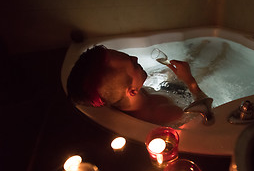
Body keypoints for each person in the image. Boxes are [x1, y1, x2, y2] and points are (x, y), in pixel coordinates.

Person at [67, 45, 207, 125]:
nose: (136, 57)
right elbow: (207, 117)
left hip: (166, 93)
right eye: (133, 63)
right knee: (206, 69)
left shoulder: (122, 97)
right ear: (132, 91)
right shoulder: (167, 114)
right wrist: (190, 80)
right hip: (184, 100)